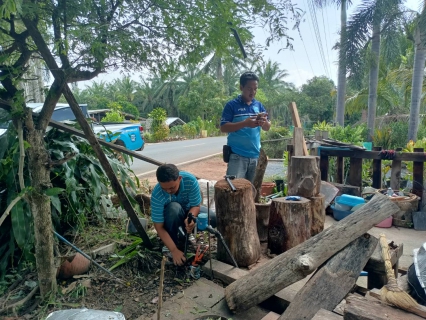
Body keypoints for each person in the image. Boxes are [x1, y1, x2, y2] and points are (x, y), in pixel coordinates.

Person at [151, 164, 216, 266]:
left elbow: (195, 205)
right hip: (171, 217)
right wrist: (174, 250)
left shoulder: (190, 180)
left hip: (187, 210)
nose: (168, 191)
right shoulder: (157, 194)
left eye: (172, 187)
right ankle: (172, 241)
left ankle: (186, 234)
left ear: (179, 179)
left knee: (212, 218)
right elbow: (159, 227)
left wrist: (190, 218)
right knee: (173, 208)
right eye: (165, 189)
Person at [220, 71, 271, 182]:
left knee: (253, 192)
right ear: (241, 87)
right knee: (235, 191)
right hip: (237, 156)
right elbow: (223, 127)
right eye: (249, 88)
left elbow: (267, 127)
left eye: (255, 89)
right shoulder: (231, 105)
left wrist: (264, 122)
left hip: (255, 156)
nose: (252, 92)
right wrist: (245, 123)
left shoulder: (259, 106)